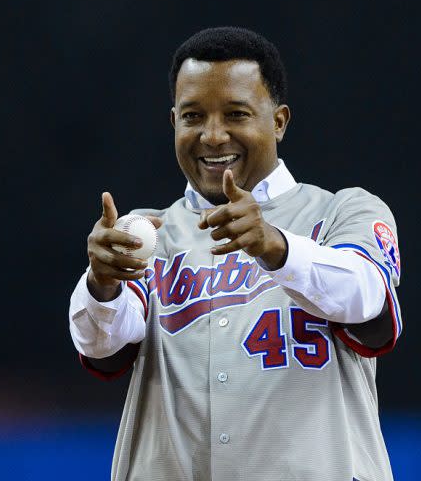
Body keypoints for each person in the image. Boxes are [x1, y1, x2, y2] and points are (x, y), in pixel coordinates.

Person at [69, 26, 402, 481]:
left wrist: (277, 248)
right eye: (192, 116)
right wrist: (101, 284)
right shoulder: (147, 231)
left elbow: (366, 297)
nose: (212, 135)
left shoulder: (342, 210)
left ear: (279, 121)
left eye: (236, 114)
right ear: (173, 123)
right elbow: (102, 344)